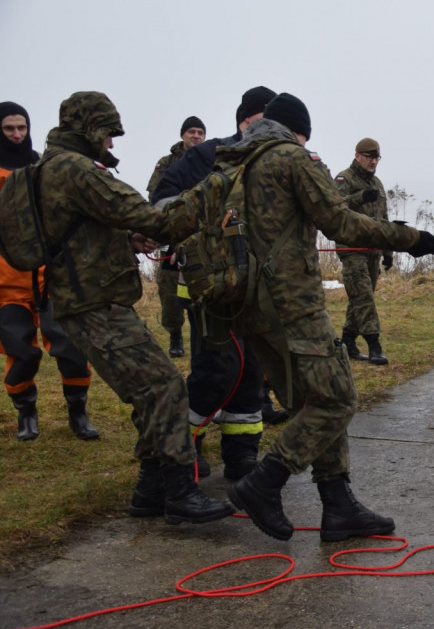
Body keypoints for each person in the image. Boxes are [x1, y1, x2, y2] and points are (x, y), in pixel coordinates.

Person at [218, 93, 434, 542]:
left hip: (249, 307)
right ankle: (266, 482)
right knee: (337, 399)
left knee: (311, 401)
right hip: (292, 304)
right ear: (298, 131)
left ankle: (338, 506)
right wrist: (410, 238)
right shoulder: (292, 159)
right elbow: (340, 221)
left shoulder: (232, 166)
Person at [34, 90, 233, 524]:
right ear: (87, 129)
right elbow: (154, 218)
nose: (111, 145)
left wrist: (125, 240)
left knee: (150, 391)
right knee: (164, 387)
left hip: (89, 298)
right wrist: (216, 185)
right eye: (107, 134)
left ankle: (150, 490)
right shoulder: (77, 171)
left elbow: (78, 231)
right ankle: (180, 489)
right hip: (94, 304)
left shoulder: (53, 168)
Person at [152, 88, 284, 479]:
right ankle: (182, 448)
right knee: (215, 371)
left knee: (250, 375)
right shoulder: (206, 156)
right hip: (209, 291)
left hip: (258, 291)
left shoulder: (278, 161)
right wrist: (190, 237)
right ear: (247, 120)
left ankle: (241, 454)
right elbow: (162, 203)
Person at [0, 101, 96, 442]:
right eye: (9, 128)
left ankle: (78, 412)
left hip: (52, 277)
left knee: (70, 344)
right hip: (7, 283)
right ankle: (26, 413)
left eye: (21, 128)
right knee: (21, 351)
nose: (16, 134)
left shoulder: (42, 168)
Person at [146, 116, 206, 358]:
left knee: (200, 291)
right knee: (171, 294)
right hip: (171, 237)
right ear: (183, 135)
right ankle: (174, 334)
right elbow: (155, 197)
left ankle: (202, 335)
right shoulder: (166, 163)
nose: (196, 136)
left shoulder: (209, 160)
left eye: (200, 132)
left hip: (199, 239)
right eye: (191, 131)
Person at [334, 138, 393, 366]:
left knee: (360, 297)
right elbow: (333, 210)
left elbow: (384, 219)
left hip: (373, 250)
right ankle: (374, 344)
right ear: (357, 155)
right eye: (369, 157)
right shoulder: (344, 178)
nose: (373, 162)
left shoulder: (377, 183)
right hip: (352, 248)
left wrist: (388, 251)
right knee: (364, 297)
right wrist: (359, 197)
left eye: (376, 158)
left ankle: (347, 341)